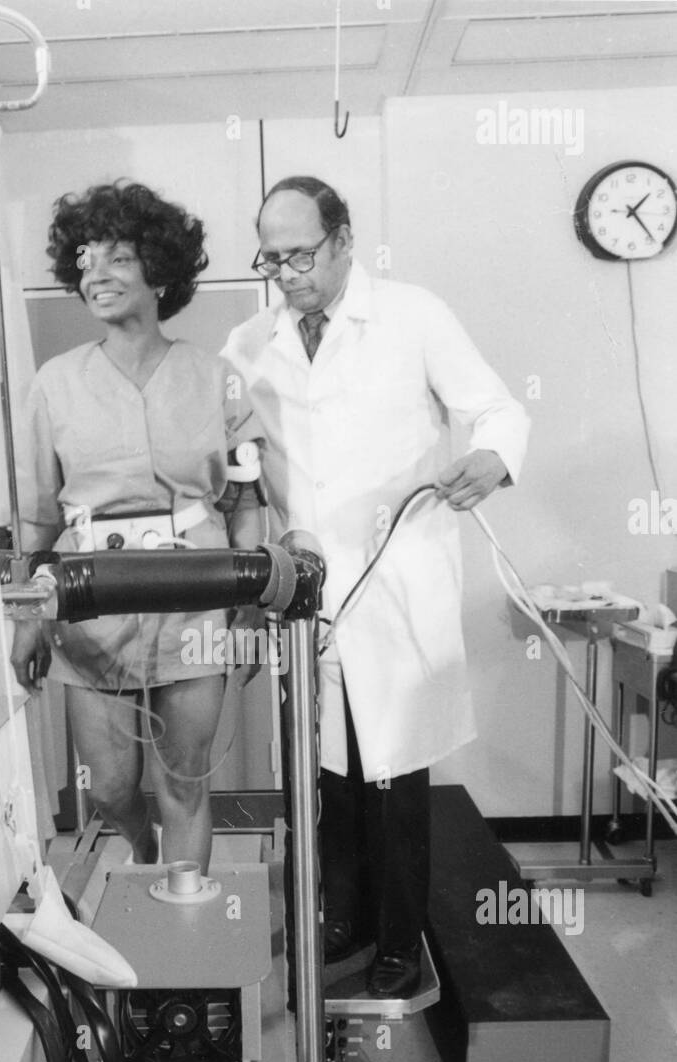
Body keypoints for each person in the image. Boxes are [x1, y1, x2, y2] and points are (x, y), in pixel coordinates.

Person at [223, 175, 530, 998]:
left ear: (345, 239)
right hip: (310, 590)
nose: (286, 273)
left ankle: (398, 937)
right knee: (327, 773)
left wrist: (493, 457)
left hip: (399, 579)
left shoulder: (413, 314)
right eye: (271, 258)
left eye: (301, 254)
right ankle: (343, 920)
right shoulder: (249, 344)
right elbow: (237, 464)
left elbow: (498, 408)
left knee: (395, 775)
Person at [11, 181, 262, 873]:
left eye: (118, 257)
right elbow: (35, 518)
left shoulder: (217, 378)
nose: (96, 273)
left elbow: (245, 499)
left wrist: (248, 597)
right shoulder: (53, 385)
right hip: (88, 609)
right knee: (112, 787)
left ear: (160, 271)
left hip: (195, 601)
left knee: (183, 781)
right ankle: (144, 851)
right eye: (86, 259)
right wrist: (28, 616)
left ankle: (179, 948)